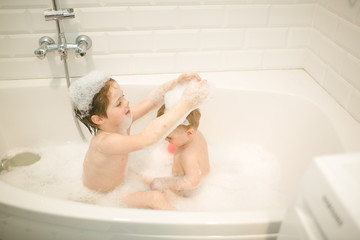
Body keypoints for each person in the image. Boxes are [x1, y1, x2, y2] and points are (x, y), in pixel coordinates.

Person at [68, 70, 210, 210]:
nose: (126, 102)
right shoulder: (105, 142)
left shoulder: (122, 121)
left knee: (161, 187)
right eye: (118, 103)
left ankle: (191, 207)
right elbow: (149, 138)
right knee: (155, 198)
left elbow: (151, 103)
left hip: (121, 181)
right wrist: (188, 103)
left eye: (123, 96)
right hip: (103, 195)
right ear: (98, 119)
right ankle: (183, 226)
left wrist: (176, 83)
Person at [148, 96, 210, 199]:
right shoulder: (195, 134)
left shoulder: (188, 156)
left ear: (189, 132)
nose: (165, 139)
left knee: (155, 188)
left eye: (169, 137)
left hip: (189, 193)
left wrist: (166, 183)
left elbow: (193, 181)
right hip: (202, 179)